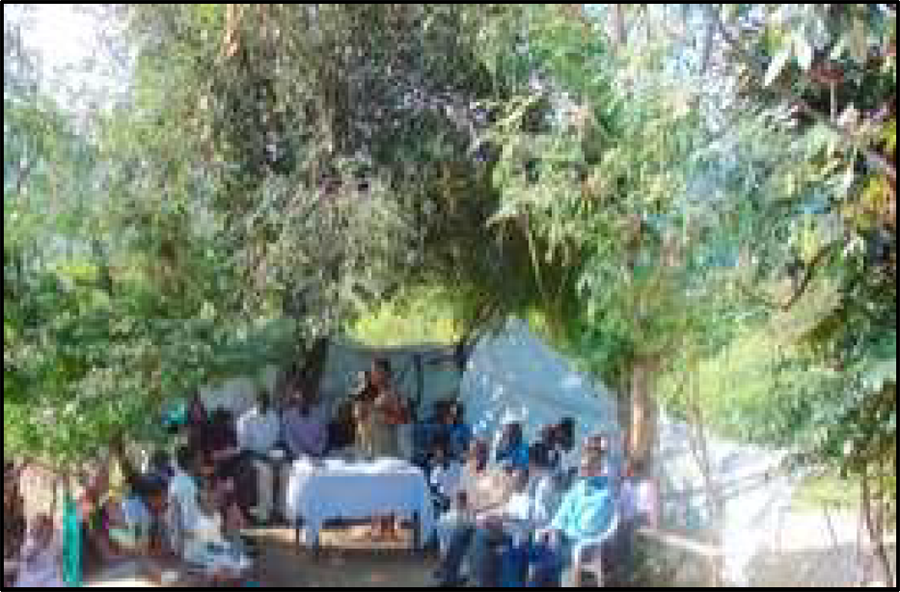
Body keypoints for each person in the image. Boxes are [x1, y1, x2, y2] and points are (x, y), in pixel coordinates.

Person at [530, 434, 617, 587]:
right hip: (565, 539)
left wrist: (563, 532)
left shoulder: (604, 494)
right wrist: (554, 529)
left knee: (544, 566)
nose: (582, 471)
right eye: (582, 468)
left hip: (584, 545)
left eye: (586, 468)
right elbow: (562, 513)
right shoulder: (578, 487)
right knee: (529, 555)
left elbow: (589, 525)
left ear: (597, 469)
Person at [237, 390, 282, 524]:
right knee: (266, 472)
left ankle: (282, 511)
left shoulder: (273, 416)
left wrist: (276, 456)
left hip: (271, 454)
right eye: (261, 402)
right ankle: (265, 514)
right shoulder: (245, 419)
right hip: (251, 456)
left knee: (287, 470)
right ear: (256, 402)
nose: (264, 405)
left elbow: (277, 440)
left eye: (267, 402)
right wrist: (264, 457)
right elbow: (244, 447)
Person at [13, 513, 64, 587]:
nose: (33, 528)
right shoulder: (29, 542)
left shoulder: (56, 538)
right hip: (30, 579)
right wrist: (39, 546)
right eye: (34, 525)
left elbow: (59, 557)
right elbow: (25, 557)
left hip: (50, 577)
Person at [282, 391, 328, 459]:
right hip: (297, 455)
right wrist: (301, 453)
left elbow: (324, 435)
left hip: (317, 454)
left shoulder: (318, 414)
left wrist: (317, 450)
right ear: (296, 402)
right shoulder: (288, 416)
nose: (302, 403)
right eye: (299, 401)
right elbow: (289, 438)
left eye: (305, 401)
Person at [429, 439, 463, 514]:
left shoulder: (457, 467)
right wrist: (441, 499)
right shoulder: (436, 471)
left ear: (445, 453)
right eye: (435, 454)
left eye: (438, 453)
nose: (437, 456)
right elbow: (434, 490)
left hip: (457, 504)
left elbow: (464, 485)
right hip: (444, 507)